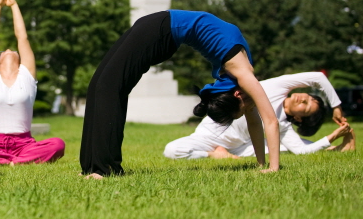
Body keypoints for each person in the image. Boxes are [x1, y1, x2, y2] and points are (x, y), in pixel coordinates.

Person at [80, 10, 280, 178]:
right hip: (160, 29)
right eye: (246, 109)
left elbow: (255, 123)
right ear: (238, 96)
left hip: (159, 25)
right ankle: (98, 168)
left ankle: (98, 168)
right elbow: (270, 121)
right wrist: (274, 167)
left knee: (106, 85)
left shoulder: (237, 81)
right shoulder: (244, 75)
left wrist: (261, 164)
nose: (250, 109)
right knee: (101, 86)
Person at [163, 72, 356, 160]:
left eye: (305, 106)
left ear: (298, 119)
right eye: (307, 97)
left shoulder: (282, 125)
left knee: (283, 148)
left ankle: (335, 149)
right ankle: (215, 155)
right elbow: (319, 78)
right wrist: (336, 106)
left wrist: (333, 136)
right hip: (209, 137)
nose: (302, 98)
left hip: (241, 147)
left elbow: (301, 151)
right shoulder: (279, 85)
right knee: (172, 150)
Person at [0, 0, 65, 165]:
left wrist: (14, 6)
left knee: (57, 144)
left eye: (13, 50)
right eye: (4, 50)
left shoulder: (26, 75)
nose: (9, 49)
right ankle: (15, 161)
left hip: (25, 144)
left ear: (20, 59)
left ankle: (3, 160)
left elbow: (22, 38)